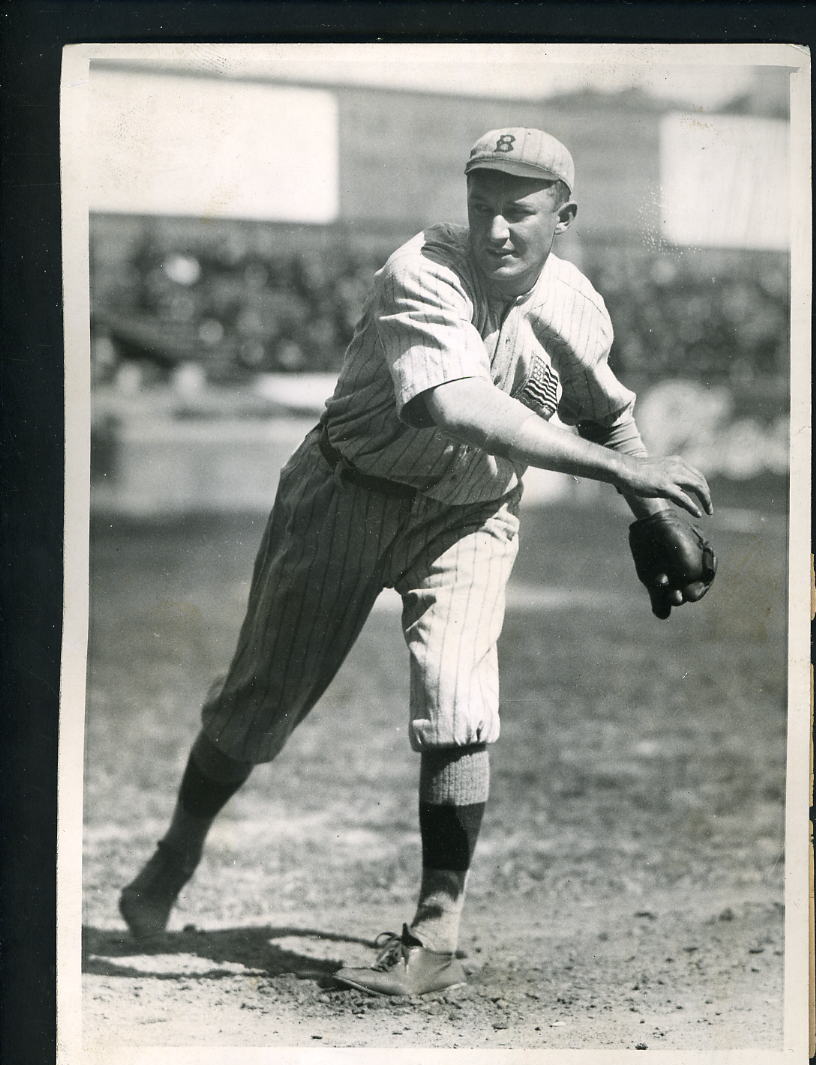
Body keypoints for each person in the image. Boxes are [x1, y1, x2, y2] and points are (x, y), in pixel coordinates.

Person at [119, 128, 716, 996]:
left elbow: (608, 413)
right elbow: (457, 405)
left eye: (519, 211)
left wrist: (653, 510)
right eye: (483, 208)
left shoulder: (577, 305)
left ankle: (436, 929)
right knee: (258, 702)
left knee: (457, 694)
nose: (497, 230)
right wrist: (626, 472)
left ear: (564, 217)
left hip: (470, 516)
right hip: (344, 494)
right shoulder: (421, 271)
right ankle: (177, 851)